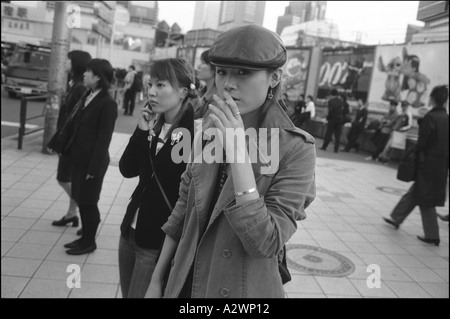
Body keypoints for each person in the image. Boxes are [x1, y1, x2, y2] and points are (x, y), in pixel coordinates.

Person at [146, 24, 316, 298]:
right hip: (184, 282)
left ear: (274, 78)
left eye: (244, 73)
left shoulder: (295, 148)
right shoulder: (208, 130)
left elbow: (266, 241)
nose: (228, 84)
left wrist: (238, 153)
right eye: (222, 72)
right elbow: (182, 214)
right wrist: (157, 279)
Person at [117, 58, 196, 298]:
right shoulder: (153, 124)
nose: (151, 92)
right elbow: (126, 168)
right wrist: (142, 130)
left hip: (157, 241)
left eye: (161, 85)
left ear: (183, 91)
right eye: (151, 84)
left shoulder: (194, 133)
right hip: (130, 230)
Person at [63, 59, 118, 255]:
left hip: (92, 163)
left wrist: (93, 169)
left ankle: (88, 242)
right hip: (80, 159)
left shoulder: (108, 103)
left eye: (88, 71)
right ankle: (84, 237)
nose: (84, 74)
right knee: (81, 199)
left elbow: (104, 139)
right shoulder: (89, 95)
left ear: (97, 77)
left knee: (88, 203)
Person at [383, 85, 449, 246]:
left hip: (427, 163)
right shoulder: (447, 118)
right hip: (441, 165)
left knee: (425, 198)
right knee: (417, 192)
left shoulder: (430, 118)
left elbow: (422, 143)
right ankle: (396, 217)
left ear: (432, 98)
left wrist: (413, 155)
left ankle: (432, 234)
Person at [51, 50, 91, 230]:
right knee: (70, 178)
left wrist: (66, 142)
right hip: (68, 141)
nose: (65, 63)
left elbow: (76, 119)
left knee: (63, 178)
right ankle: (71, 213)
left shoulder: (80, 88)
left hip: (70, 143)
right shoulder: (75, 84)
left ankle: (83, 208)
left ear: (76, 63)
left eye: (68, 60)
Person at [193, 49, 217, 119]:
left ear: (215, 68)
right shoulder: (200, 93)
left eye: (203, 62)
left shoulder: (216, 100)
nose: (198, 66)